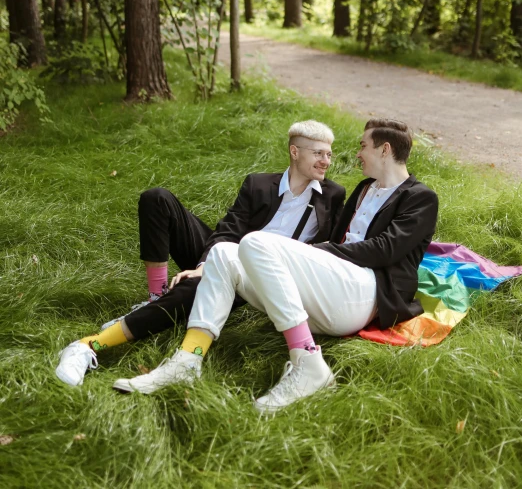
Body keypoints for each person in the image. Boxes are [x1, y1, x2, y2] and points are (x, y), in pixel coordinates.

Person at [111, 118, 438, 412]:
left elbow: (385, 249)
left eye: (363, 146)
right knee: (226, 252)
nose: (357, 153)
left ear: (384, 149)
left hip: (365, 295)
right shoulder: (364, 189)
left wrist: (319, 251)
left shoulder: (420, 196)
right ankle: (187, 360)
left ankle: (308, 364)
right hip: (331, 290)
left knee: (254, 241)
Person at [55, 120, 345, 386]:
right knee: (157, 199)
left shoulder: (333, 195)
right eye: (319, 153)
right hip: (226, 251)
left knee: (195, 288)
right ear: (295, 152)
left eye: (329, 155)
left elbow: (328, 248)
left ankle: (87, 346)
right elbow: (230, 228)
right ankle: (156, 297)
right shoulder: (258, 183)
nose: (326, 161)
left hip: (255, 276)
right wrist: (205, 263)